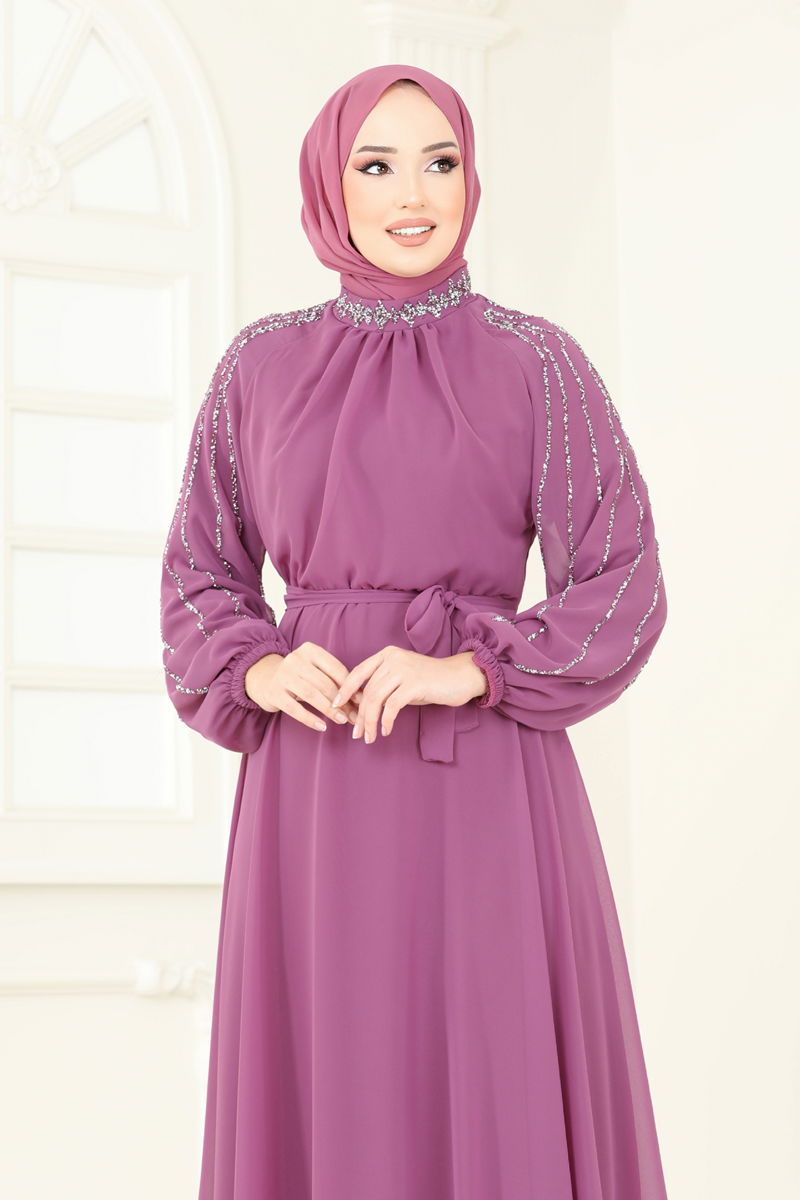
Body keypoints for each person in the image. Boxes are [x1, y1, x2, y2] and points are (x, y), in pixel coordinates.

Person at [160, 62, 670, 1200]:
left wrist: (467, 672)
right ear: (328, 185)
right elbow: (197, 571)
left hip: (483, 785)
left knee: (489, 1064)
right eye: (376, 164)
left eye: (439, 162)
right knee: (331, 1067)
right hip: (313, 794)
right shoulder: (259, 367)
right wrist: (257, 667)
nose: (412, 193)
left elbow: (623, 584)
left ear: (470, 176)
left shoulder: (535, 362)